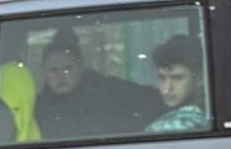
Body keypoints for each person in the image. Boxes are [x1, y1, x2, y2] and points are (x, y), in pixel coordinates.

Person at [34, 28, 164, 140]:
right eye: (53, 70)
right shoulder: (38, 108)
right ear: (43, 71)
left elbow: (155, 100)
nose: (60, 76)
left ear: (80, 67)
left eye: (68, 69)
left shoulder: (109, 92)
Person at [144, 34, 211, 133]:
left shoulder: (187, 122)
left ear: (199, 79)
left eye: (177, 78)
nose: (167, 88)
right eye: (162, 78)